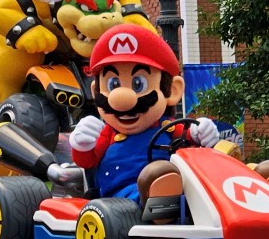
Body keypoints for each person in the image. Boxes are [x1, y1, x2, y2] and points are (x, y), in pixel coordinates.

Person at [67, 24, 220, 206]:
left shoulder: (168, 128)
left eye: (138, 84)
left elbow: (190, 136)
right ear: (96, 91)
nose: (121, 98)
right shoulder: (107, 134)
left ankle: (251, 185)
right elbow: (87, 161)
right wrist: (82, 144)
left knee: (195, 181)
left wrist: (201, 131)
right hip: (119, 198)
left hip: (177, 189)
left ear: (172, 90)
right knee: (157, 179)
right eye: (113, 85)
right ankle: (159, 200)